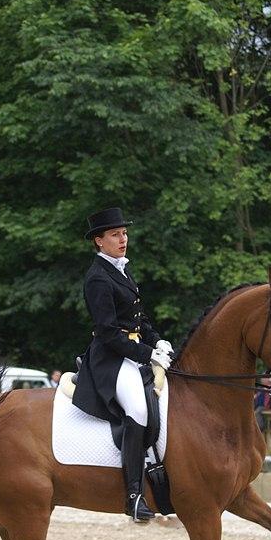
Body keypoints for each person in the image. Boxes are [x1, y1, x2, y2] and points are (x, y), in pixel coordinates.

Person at [72, 207, 172, 523]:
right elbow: (108, 332)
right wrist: (147, 354)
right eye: (115, 234)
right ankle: (134, 495)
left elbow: (139, 319)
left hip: (132, 351)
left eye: (124, 233)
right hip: (110, 360)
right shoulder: (98, 278)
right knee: (138, 410)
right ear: (99, 241)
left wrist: (158, 342)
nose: (122, 239)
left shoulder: (123, 270)